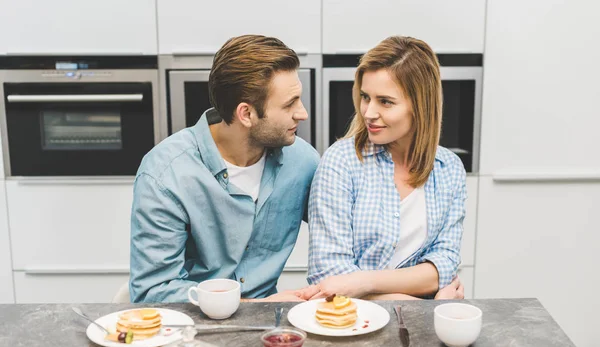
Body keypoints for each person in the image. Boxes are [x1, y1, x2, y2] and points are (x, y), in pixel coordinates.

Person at [129, 35, 320, 303]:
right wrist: (255, 307)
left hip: (267, 328)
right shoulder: (165, 174)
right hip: (191, 331)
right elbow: (153, 292)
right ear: (246, 114)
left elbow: (346, 235)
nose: (302, 113)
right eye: (289, 104)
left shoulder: (303, 162)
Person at [306, 36, 466, 301]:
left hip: (421, 329)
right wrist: (423, 303)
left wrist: (363, 282)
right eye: (365, 97)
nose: (368, 112)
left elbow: (444, 265)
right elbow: (329, 276)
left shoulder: (448, 168)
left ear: (420, 106)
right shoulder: (341, 162)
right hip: (352, 327)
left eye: (385, 101)